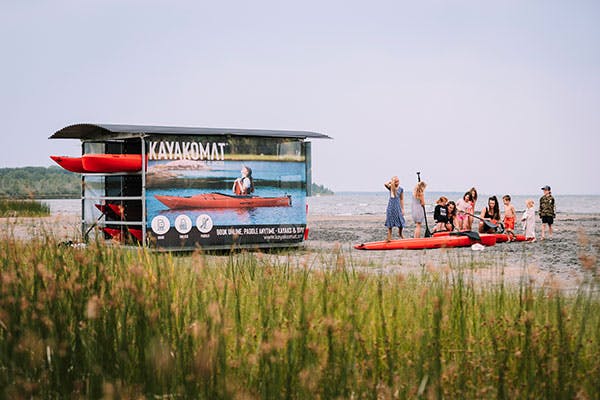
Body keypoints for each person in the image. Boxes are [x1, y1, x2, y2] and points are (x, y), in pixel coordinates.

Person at [384, 176, 405, 241]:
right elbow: (385, 184)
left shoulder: (401, 189)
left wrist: (402, 208)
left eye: (398, 181)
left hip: (398, 207)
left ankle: (400, 234)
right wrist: (392, 181)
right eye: (396, 181)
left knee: (401, 221)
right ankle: (389, 237)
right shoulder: (391, 188)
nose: (397, 183)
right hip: (391, 206)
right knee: (390, 222)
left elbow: (401, 199)